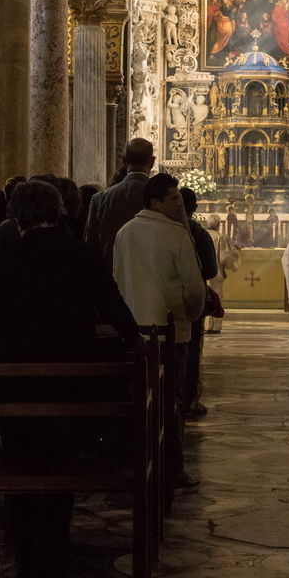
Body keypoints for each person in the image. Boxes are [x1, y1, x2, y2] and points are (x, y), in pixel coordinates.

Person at [0, 180, 141, 578]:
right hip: (70, 380)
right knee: (60, 461)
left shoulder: (8, 259)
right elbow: (113, 305)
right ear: (59, 212)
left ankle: (28, 559)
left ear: (18, 217)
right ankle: (55, 553)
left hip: (16, 381)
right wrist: (135, 340)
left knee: (19, 465)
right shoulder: (80, 254)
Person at [113, 173, 206, 491]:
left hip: (134, 334)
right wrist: (189, 317)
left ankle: (135, 462)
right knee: (171, 402)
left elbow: (117, 280)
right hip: (169, 335)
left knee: (137, 400)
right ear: (155, 202)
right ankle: (172, 468)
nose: (180, 203)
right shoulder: (177, 235)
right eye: (174, 199)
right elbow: (195, 288)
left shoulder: (125, 232)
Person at [85, 137, 154, 271]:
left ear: (123, 161)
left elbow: (90, 248)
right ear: (152, 161)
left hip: (111, 278)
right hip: (153, 281)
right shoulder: (166, 197)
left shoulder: (100, 199)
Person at [180, 188, 218, 421]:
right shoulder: (198, 232)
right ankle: (188, 400)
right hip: (191, 301)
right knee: (192, 348)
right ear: (194, 208)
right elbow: (211, 270)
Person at [204, 214, 240, 334]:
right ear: (219, 224)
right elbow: (225, 257)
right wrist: (235, 254)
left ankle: (203, 325)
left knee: (202, 298)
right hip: (215, 273)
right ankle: (213, 326)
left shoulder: (201, 235)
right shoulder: (219, 237)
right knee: (214, 298)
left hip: (201, 273)